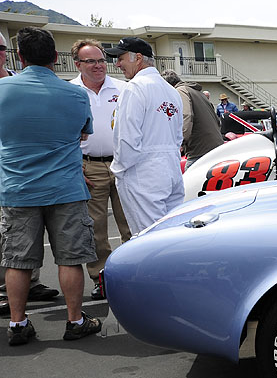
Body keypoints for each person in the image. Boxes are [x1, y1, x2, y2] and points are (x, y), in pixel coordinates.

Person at [0, 27, 101, 344]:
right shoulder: (75, 94)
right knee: (70, 258)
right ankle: (75, 321)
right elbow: (83, 134)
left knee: (17, 261)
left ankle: (18, 324)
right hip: (65, 187)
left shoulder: (2, 90)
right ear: (56, 58)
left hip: (17, 188)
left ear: (20, 56)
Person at [0, 32, 60, 315]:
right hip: (11, 170)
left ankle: (30, 283)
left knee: (23, 236)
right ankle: (5, 293)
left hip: (25, 174)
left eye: (1, 48)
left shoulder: (16, 78)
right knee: (10, 237)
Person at [69, 39, 131, 300]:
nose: (98, 66)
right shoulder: (70, 92)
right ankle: (101, 277)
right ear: (77, 64)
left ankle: (134, 272)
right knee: (95, 228)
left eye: (101, 60)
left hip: (123, 164)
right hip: (89, 165)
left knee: (131, 222)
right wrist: (75, 167)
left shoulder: (124, 88)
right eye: (91, 61)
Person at [105, 37, 185, 233]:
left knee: (149, 239)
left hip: (143, 174)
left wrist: (119, 171)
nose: (117, 64)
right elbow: (177, 137)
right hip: (171, 170)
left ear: (138, 58)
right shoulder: (171, 91)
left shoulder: (135, 88)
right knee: (173, 233)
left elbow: (127, 139)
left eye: (121, 58)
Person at [161, 70, 223, 168]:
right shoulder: (198, 93)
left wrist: (179, 141)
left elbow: (186, 115)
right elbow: (217, 120)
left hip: (199, 150)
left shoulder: (180, 91)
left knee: (188, 180)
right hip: (215, 146)